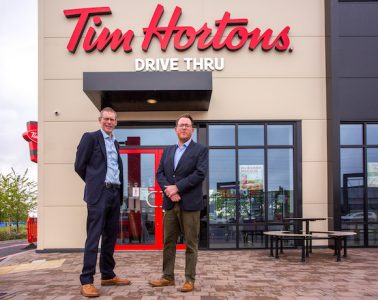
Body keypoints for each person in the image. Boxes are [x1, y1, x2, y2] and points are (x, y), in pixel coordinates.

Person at [74, 107, 131, 297]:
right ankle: (86, 280)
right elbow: (79, 166)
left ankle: (107, 274)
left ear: (116, 122)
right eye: (106, 119)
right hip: (99, 194)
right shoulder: (90, 138)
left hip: (115, 194)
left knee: (110, 236)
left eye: (112, 120)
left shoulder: (115, 143)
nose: (109, 122)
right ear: (100, 120)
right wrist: (95, 184)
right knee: (93, 237)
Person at [149, 114, 208, 292]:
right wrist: (169, 190)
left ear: (192, 129)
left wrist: (178, 188)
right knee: (168, 242)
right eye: (181, 125)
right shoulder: (168, 151)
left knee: (191, 243)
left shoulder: (200, 150)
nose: (184, 128)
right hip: (170, 204)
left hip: (190, 204)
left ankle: (189, 279)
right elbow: (160, 174)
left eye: (187, 125)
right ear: (175, 129)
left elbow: (200, 174)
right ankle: (168, 277)